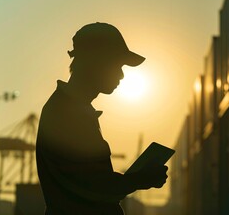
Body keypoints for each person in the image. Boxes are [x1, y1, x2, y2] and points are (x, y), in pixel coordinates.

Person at [36, 22, 168, 215]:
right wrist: (138, 180)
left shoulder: (74, 110)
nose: (122, 75)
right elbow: (90, 186)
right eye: (117, 64)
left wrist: (138, 180)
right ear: (95, 62)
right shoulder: (65, 113)